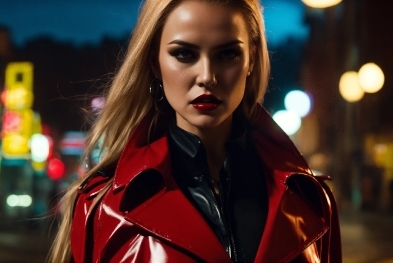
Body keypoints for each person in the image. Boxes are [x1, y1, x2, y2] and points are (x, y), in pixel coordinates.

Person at [49, 0, 341, 262]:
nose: (207, 77)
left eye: (227, 54)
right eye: (184, 54)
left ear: (251, 58)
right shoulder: (101, 208)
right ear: (154, 61)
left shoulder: (309, 200)